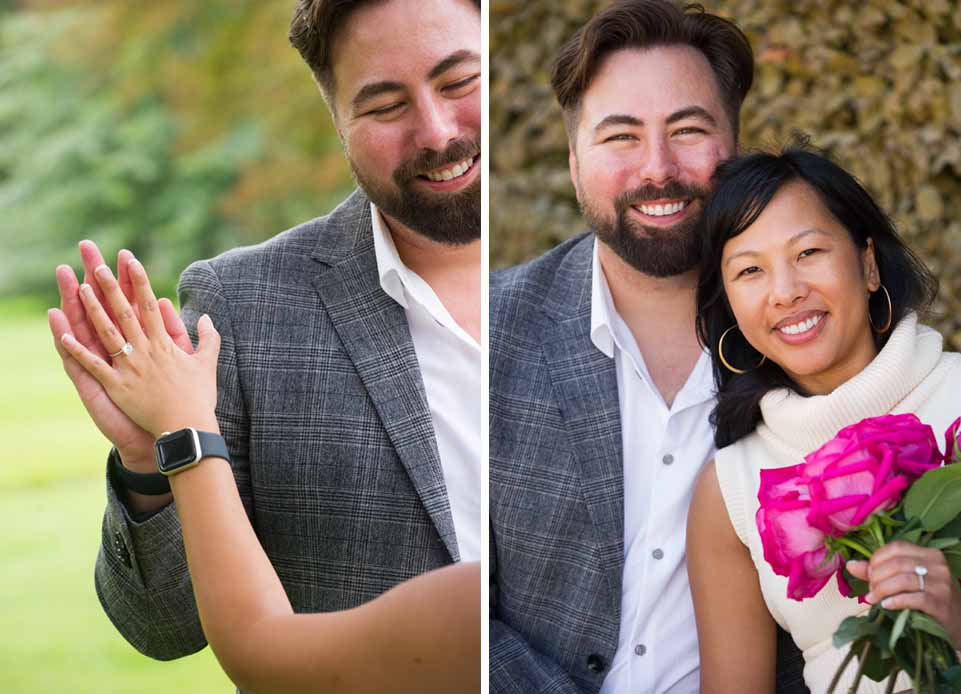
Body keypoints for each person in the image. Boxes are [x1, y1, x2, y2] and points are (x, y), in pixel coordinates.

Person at [48, 0, 482, 677]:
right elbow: (162, 628)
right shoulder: (243, 308)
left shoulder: (617, 278)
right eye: (384, 105)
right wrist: (146, 459)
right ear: (335, 119)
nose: (434, 131)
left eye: (459, 82)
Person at [490, 1, 806, 692]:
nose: (657, 168)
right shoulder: (482, 336)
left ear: (736, 144)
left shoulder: (808, 343)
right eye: (621, 137)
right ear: (574, 159)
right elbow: (450, 595)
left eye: (688, 130)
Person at [57, 253, 480, 693]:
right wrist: (150, 463)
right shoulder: (241, 299)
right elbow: (162, 627)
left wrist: (183, 429)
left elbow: (255, 643)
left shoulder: (473, 607)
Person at [687, 145, 960, 693]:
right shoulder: (732, 489)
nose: (786, 292)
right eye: (749, 271)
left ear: (867, 262)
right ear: (731, 307)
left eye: (808, 252)